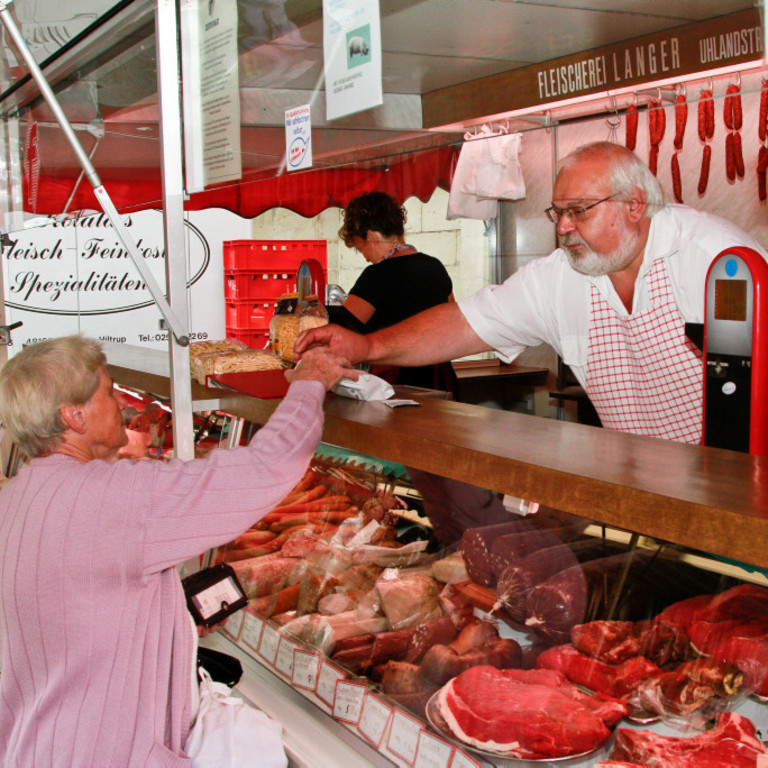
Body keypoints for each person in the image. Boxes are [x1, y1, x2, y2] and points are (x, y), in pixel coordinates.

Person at [0, 335, 356, 767]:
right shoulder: (115, 498)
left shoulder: (14, 497)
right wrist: (308, 384)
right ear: (74, 417)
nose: (121, 406)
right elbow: (265, 468)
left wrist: (166, 622)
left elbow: (70, 611)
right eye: (109, 393)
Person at [297, 141, 768, 445]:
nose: (564, 228)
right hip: (646, 488)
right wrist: (366, 345)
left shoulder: (713, 260)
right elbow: (465, 323)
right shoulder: (560, 277)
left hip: (736, 492)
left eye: (579, 211)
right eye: (557, 213)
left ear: (634, 206)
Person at [331, 190, 458, 392]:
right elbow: (454, 319)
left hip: (396, 384)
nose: (364, 257)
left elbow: (344, 330)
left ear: (371, 237)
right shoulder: (435, 266)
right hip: (440, 380)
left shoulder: (377, 275)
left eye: (360, 247)